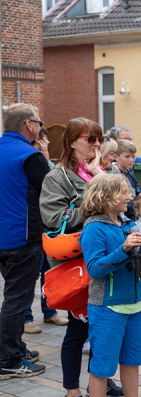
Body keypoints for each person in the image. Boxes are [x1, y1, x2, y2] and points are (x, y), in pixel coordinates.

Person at [40, 117, 124, 397]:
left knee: (103, 326)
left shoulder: (107, 170)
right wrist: (96, 190)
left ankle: (98, 381)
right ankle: (71, 394)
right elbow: (55, 219)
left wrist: (101, 176)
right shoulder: (57, 178)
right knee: (78, 330)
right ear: (72, 141)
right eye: (91, 139)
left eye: (99, 139)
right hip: (77, 267)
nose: (97, 145)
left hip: (111, 260)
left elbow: (124, 204)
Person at [79, 174, 141, 397]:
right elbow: (94, 269)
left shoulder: (127, 223)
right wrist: (124, 249)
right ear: (104, 197)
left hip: (136, 304)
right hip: (108, 308)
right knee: (102, 366)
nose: (129, 197)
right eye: (123, 193)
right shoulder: (93, 229)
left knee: (132, 359)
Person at [0, 104, 51, 380]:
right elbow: (53, 189)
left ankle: (14, 348)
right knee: (16, 300)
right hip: (23, 238)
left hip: (4, 237)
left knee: (12, 297)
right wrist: (45, 157)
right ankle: (8, 359)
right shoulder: (29, 155)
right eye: (39, 122)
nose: (41, 126)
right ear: (29, 125)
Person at [24, 125, 68, 334]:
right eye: (46, 139)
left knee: (48, 270)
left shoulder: (46, 161)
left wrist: (47, 157)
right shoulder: (31, 161)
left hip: (47, 226)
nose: (49, 142)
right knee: (29, 274)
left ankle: (49, 311)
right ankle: (26, 317)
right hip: (32, 225)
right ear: (38, 142)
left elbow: (56, 183)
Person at [109, 140, 141, 221]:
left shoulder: (130, 174)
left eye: (133, 156)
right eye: (127, 156)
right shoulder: (111, 175)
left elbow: (137, 194)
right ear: (116, 157)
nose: (131, 160)